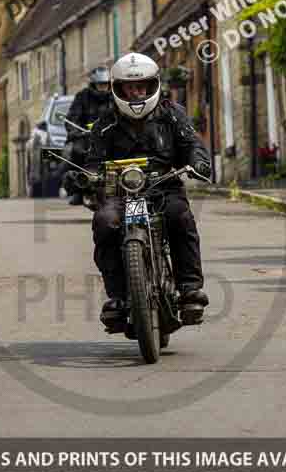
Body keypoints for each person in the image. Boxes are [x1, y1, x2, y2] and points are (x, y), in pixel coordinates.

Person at [85, 53, 211, 327]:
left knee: (180, 216)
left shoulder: (171, 114)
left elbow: (192, 143)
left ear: (152, 85)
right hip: (120, 195)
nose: (136, 92)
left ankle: (189, 289)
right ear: (118, 88)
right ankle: (117, 296)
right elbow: (93, 161)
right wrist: (84, 176)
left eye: (142, 86)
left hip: (164, 189)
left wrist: (198, 161)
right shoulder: (105, 123)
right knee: (104, 222)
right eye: (130, 87)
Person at [64, 66, 112, 205]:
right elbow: (73, 116)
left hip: (111, 135)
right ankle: (79, 188)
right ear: (93, 84)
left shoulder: (115, 97)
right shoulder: (82, 97)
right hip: (87, 136)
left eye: (105, 84)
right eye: (100, 84)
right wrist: (74, 131)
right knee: (77, 151)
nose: (103, 87)